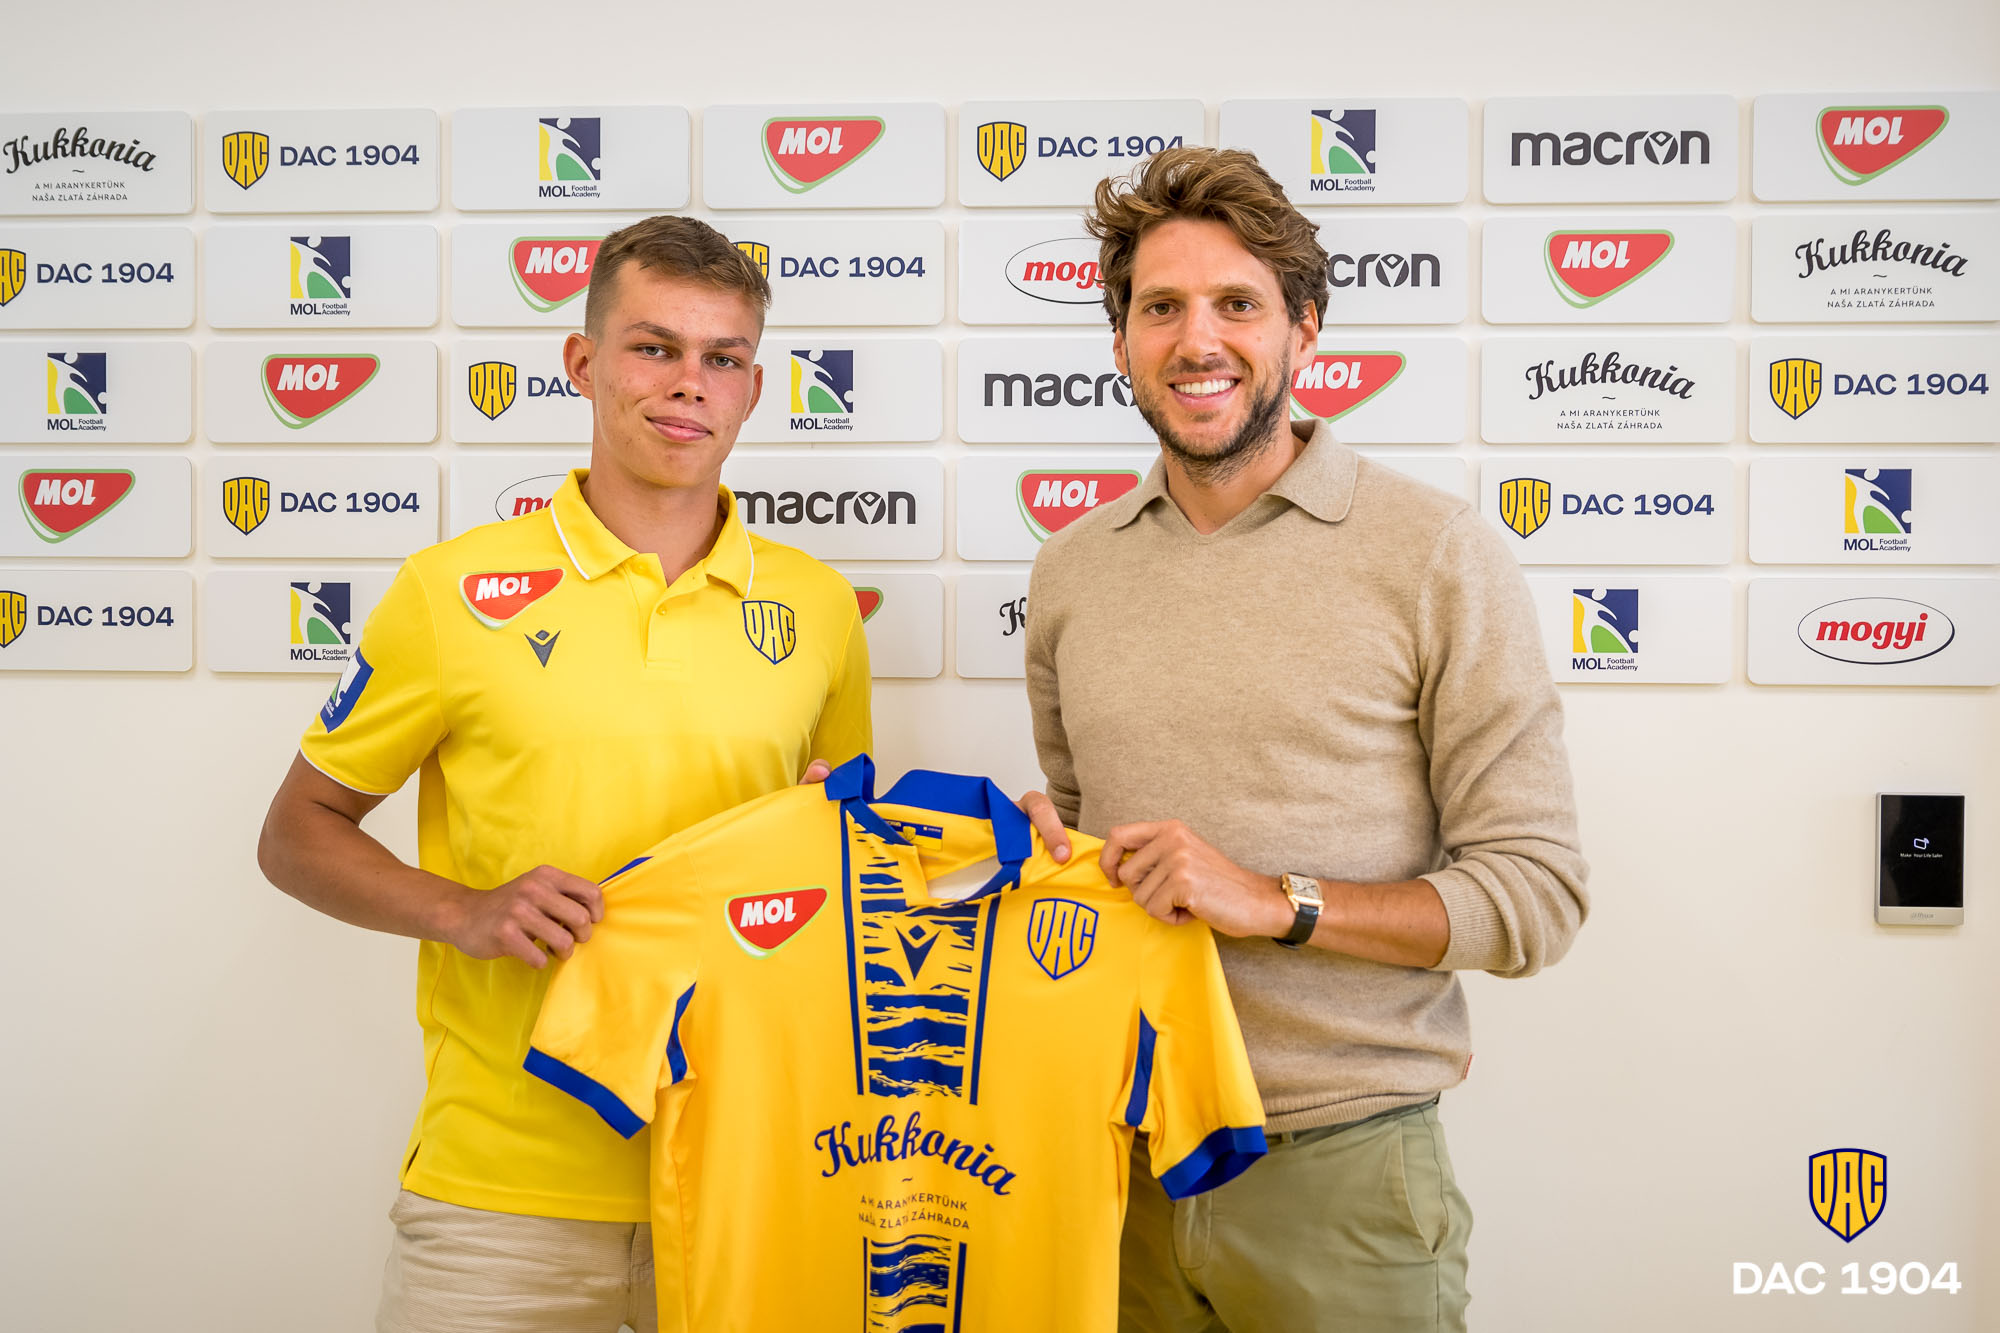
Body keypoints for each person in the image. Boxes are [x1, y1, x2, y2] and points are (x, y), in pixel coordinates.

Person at [256, 215, 871, 1333]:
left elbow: (851, 867)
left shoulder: (821, 607)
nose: (688, 383)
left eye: (721, 357)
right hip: (499, 1202)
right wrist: (464, 909)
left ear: (751, 387)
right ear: (583, 363)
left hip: (752, 1177)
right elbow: (297, 830)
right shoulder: (449, 591)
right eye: (653, 347)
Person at [1017, 146, 1590, 1332]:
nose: (1197, 340)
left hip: (1344, 1177)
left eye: (1237, 304)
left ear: (1304, 330)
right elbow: (1087, 859)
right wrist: (1019, 862)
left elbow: (1533, 898)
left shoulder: (1433, 553)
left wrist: (1274, 901)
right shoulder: (1070, 570)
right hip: (1115, 1163)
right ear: (1119, 340)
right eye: (1160, 307)